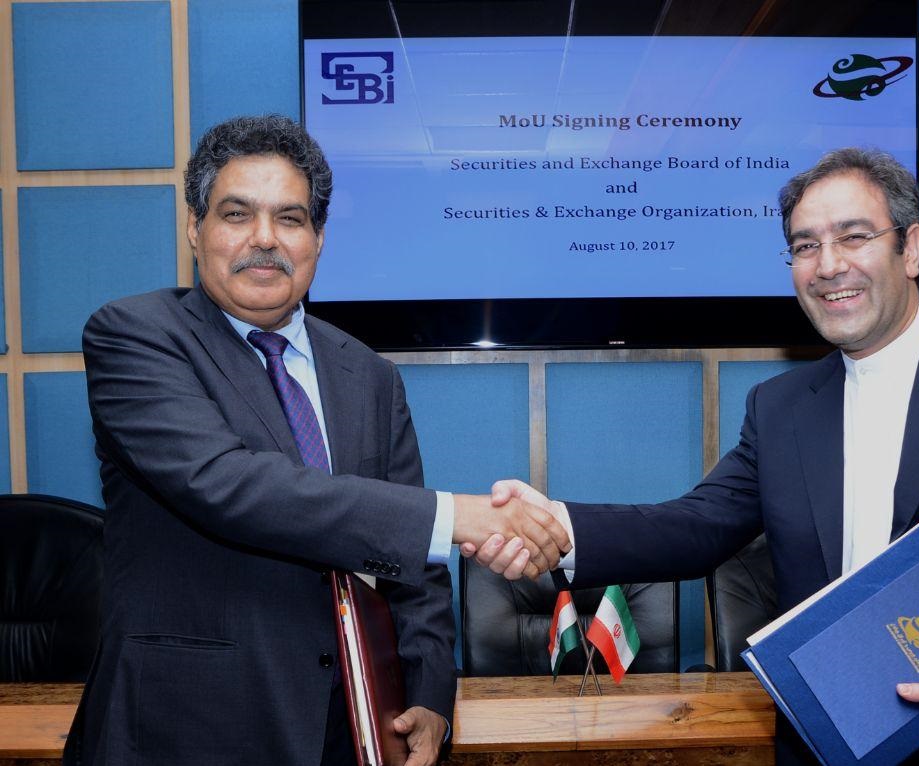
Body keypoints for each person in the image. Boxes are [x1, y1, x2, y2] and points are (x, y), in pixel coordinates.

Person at [473, 148, 919, 764]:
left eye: (854, 236)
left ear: (911, 248)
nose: (828, 266)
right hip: (835, 743)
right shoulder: (781, 408)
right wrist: (557, 528)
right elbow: (696, 526)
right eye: (805, 246)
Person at [66, 115, 569, 766]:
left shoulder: (370, 375)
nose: (265, 239)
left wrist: (430, 695)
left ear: (319, 238)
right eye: (237, 214)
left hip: (345, 731)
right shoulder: (136, 336)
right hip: (185, 728)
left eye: (290, 218)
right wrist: (456, 516)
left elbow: (411, 566)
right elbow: (231, 485)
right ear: (195, 228)